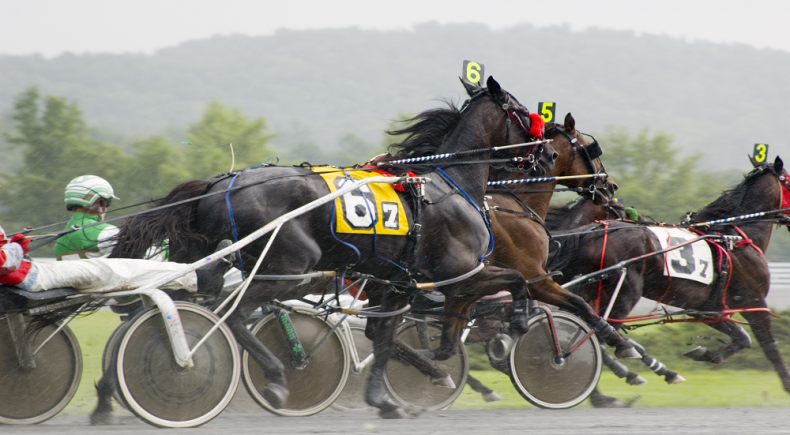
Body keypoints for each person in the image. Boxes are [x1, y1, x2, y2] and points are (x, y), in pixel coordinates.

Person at [1, 223, 231, 295]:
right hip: (29, 276)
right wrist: (15, 248)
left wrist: (14, 245)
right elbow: (4, 261)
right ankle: (198, 278)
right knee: (116, 268)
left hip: (26, 274)